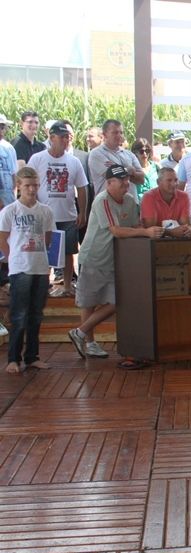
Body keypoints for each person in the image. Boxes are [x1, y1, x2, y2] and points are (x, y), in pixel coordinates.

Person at [68, 165, 162, 360]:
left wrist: (150, 228)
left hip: (115, 261)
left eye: (127, 180)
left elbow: (134, 225)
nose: (126, 184)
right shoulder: (102, 200)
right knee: (89, 302)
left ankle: (80, 332)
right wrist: (145, 232)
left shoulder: (129, 201)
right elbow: (117, 230)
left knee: (117, 300)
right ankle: (90, 343)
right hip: (93, 258)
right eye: (121, 181)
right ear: (109, 183)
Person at [0, 167, 54, 373]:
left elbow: (48, 238)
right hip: (20, 268)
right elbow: (2, 238)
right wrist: (12, 257)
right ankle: (13, 358)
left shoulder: (45, 211)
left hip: (40, 267)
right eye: (27, 186)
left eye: (35, 185)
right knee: (19, 314)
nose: (32, 190)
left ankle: (32, 356)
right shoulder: (10, 211)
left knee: (36, 314)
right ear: (19, 186)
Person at [27, 123, 88, 296]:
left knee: (69, 251)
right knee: (42, 251)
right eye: (61, 136)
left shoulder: (73, 161)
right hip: (43, 215)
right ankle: (43, 286)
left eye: (67, 136)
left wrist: (82, 212)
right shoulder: (37, 158)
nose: (65, 140)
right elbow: (28, 183)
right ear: (51, 137)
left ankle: (68, 286)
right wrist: (32, 208)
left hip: (68, 215)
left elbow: (82, 187)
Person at [87, 119, 145, 196]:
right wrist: (129, 170)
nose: (119, 135)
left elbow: (141, 179)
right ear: (104, 135)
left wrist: (119, 170)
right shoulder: (96, 154)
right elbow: (112, 176)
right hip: (108, 204)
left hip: (130, 204)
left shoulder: (129, 154)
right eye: (115, 132)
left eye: (121, 132)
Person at [141, 167, 191, 239]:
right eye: (169, 180)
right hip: (152, 243)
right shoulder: (149, 197)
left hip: (176, 242)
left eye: (176, 180)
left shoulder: (183, 196)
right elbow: (150, 228)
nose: (174, 184)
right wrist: (171, 232)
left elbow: (186, 225)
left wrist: (189, 231)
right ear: (158, 182)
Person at [0, 115, 17, 208]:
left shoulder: (9, 148)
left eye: (3, 127)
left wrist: (14, 198)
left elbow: (14, 175)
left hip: (8, 202)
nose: (2, 130)